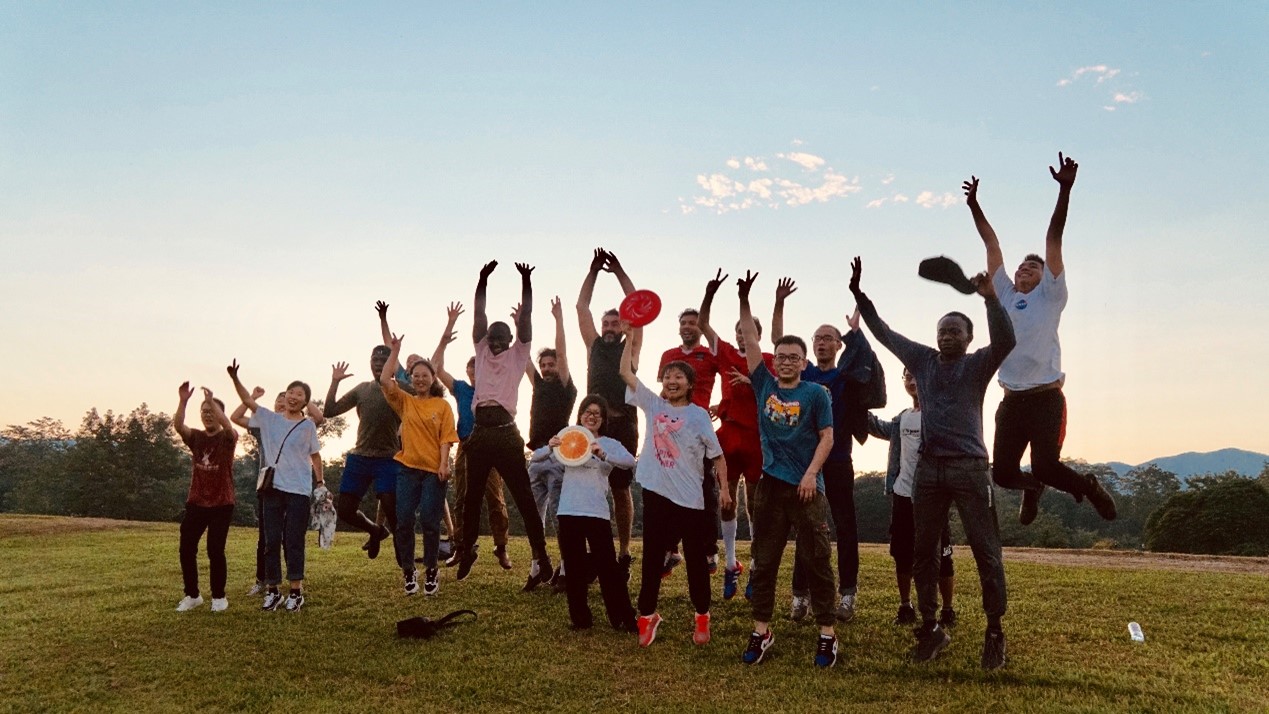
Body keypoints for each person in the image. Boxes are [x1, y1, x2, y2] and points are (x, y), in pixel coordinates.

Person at [849, 256, 1015, 671]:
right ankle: (931, 627)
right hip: (929, 471)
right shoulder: (922, 361)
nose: (946, 336)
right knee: (923, 552)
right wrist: (859, 295)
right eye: (942, 330)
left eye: (954, 331)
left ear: (969, 337)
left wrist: (990, 299)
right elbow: (885, 333)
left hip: (970, 468)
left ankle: (995, 632)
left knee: (986, 551)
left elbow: (1006, 341)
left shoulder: (977, 364)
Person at [963, 154, 1116, 525]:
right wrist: (974, 205)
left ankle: (1089, 487)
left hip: (1046, 399)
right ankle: (1031, 489)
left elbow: (1053, 237)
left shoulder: (1051, 294)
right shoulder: (1004, 292)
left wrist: (1064, 191)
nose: (1023, 269)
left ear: (1045, 276)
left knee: (1047, 466)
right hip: (1011, 400)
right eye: (1021, 266)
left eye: (1032, 266)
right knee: (1002, 474)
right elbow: (991, 244)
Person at [733, 272, 839, 669]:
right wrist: (744, 300)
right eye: (781, 356)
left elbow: (827, 437)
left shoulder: (815, 394)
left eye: (794, 357)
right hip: (770, 487)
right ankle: (761, 630)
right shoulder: (764, 383)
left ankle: (827, 633)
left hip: (807, 488)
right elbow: (750, 337)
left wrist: (811, 474)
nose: (787, 361)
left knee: (817, 561)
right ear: (774, 361)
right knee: (764, 562)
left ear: (804, 363)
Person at [772, 281, 879, 623]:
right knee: (806, 528)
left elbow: (868, 362)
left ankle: (847, 595)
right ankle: (800, 596)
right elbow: (779, 345)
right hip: (805, 466)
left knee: (845, 527)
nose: (821, 342)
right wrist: (779, 303)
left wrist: (856, 332)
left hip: (839, 460)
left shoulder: (846, 377)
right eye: (816, 338)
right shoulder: (804, 374)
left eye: (827, 338)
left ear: (838, 344)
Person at [619, 321, 730, 647]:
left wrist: (725, 489)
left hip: (690, 499)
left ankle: (702, 616)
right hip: (656, 494)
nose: (672, 381)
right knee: (652, 557)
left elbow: (718, 457)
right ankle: (647, 615)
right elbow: (625, 372)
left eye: (679, 376)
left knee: (696, 561)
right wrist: (630, 338)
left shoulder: (698, 415)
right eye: (667, 376)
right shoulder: (654, 405)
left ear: (690, 384)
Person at [455, 260, 553, 589]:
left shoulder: (518, 353)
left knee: (523, 497)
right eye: (492, 338)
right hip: (481, 434)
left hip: (507, 433)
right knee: (471, 498)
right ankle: (467, 549)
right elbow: (478, 313)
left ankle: (541, 554)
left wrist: (526, 282)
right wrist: (482, 279)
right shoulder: (481, 350)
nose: (495, 342)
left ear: (511, 339)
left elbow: (527, 318)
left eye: (501, 338)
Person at [696, 269, 774, 600]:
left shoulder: (768, 361)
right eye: (739, 331)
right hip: (729, 435)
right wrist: (710, 293)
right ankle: (730, 564)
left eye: (748, 331)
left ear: (758, 335)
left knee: (756, 505)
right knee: (725, 500)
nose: (743, 336)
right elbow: (703, 324)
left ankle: (756, 568)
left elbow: (778, 394)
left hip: (757, 438)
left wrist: (752, 383)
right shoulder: (726, 352)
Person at [530, 395, 638, 632]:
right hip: (568, 510)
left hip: (596, 512)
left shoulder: (609, 443)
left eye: (597, 413)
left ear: (603, 419)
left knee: (608, 568)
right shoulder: (569, 437)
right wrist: (550, 446)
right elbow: (536, 457)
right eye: (587, 412)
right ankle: (580, 619)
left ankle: (623, 618)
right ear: (580, 416)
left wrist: (604, 455)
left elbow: (630, 461)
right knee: (574, 568)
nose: (592, 416)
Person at [228, 361, 324, 613]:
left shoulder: (307, 425)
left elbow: (315, 456)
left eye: (299, 394)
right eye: (291, 392)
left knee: (293, 541)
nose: (293, 397)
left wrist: (321, 483)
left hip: (298, 491)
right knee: (271, 541)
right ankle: (272, 591)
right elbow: (246, 404)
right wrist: (236, 379)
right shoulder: (270, 419)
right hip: (272, 489)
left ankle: (296, 592)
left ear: (305, 401)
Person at [867, 368, 957, 628]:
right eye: (908, 376)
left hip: (932, 496)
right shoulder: (902, 418)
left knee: (942, 554)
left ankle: (947, 610)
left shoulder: (939, 416)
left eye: (918, 374)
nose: (913, 380)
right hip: (902, 494)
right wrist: (857, 403)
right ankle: (905, 606)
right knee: (902, 553)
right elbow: (877, 427)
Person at [430, 302, 514, 571]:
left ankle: (501, 546)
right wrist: (447, 332)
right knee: (462, 497)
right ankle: (461, 547)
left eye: (478, 369)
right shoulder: (462, 389)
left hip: (490, 443)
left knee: (494, 497)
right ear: (468, 373)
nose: (475, 373)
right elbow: (435, 367)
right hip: (466, 444)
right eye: (471, 370)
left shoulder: (496, 385)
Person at [576, 247, 640, 580]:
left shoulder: (631, 346)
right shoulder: (594, 346)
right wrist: (593, 271)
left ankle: (624, 553)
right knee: (588, 487)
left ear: (624, 325)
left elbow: (638, 303)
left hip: (624, 425)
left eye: (615, 323)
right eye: (606, 323)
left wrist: (618, 272)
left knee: (620, 489)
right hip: (593, 426)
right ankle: (594, 555)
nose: (610, 327)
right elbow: (581, 307)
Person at [380, 334, 458, 596]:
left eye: (425, 375)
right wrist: (395, 351)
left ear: (433, 378)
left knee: (429, 521)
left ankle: (432, 570)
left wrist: (444, 464)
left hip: (434, 471)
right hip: (408, 469)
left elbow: (447, 437)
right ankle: (409, 570)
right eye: (416, 375)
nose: (420, 379)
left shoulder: (442, 406)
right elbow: (385, 380)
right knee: (403, 521)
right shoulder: (406, 401)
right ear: (410, 379)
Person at [322, 328, 407, 562]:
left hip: (389, 457)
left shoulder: (400, 388)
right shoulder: (362, 389)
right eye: (374, 360)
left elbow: (427, 395)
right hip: (360, 456)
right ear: (369, 363)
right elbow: (329, 411)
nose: (378, 364)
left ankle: (406, 565)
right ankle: (375, 530)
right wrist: (335, 382)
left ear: (392, 364)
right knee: (346, 510)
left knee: (392, 510)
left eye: (384, 360)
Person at [656, 296, 723, 578]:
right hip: (671, 430)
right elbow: (663, 391)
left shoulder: (709, 354)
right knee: (668, 489)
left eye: (693, 322)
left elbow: (730, 378)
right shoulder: (668, 355)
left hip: (698, 429)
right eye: (683, 322)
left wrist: (723, 406)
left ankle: (709, 550)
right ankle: (670, 549)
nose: (687, 326)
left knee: (705, 487)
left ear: (701, 327)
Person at [524, 297, 578, 588]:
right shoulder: (538, 386)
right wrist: (521, 323)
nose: (546, 368)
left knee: (559, 516)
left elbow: (564, 353)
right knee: (534, 516)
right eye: (543, 365)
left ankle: (567, 568)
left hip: (559, 457)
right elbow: (523, 357)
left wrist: (558, 319)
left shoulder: (565, 387)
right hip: (536, 456)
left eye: (551, 364)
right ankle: (537, 567)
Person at [172, 382, 237, 613]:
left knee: (215, 550)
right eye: (204, 411)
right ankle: (192, 595)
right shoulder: (197, 437)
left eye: (212, 411)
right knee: (186, 548)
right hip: (197, 501)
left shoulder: (228, 438)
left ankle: (219, 597)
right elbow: (179, 426)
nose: (207, 415)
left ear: (220, 414)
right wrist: (183, 401)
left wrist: (212, 401)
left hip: (222, 502)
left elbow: (229, 426)